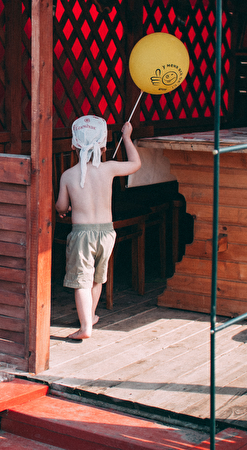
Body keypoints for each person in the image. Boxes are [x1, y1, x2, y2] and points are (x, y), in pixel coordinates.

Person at [55, 115, 141, 340]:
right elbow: (135, 164)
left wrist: (64, 208)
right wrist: (127, 137)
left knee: (81, 281)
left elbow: (61, 206)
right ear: (103, 147)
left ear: (73, 146)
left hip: (82, 234)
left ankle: (85, 327)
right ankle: (91, 316)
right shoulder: (108, 168)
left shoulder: (68, 175)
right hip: (106, 232)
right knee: (96, 278)